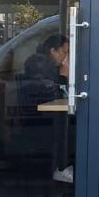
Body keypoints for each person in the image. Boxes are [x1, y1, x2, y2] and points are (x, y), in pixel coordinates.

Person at [23, 34, 73, 183]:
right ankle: (60, 169)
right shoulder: (39, 63)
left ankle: (62, 168)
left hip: (42, 117)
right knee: (71, 127)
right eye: (64, 51)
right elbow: (51, 92)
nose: (66, 55)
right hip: (38, 121)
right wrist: (64, 76)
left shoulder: (48, 64)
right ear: (53, 51)